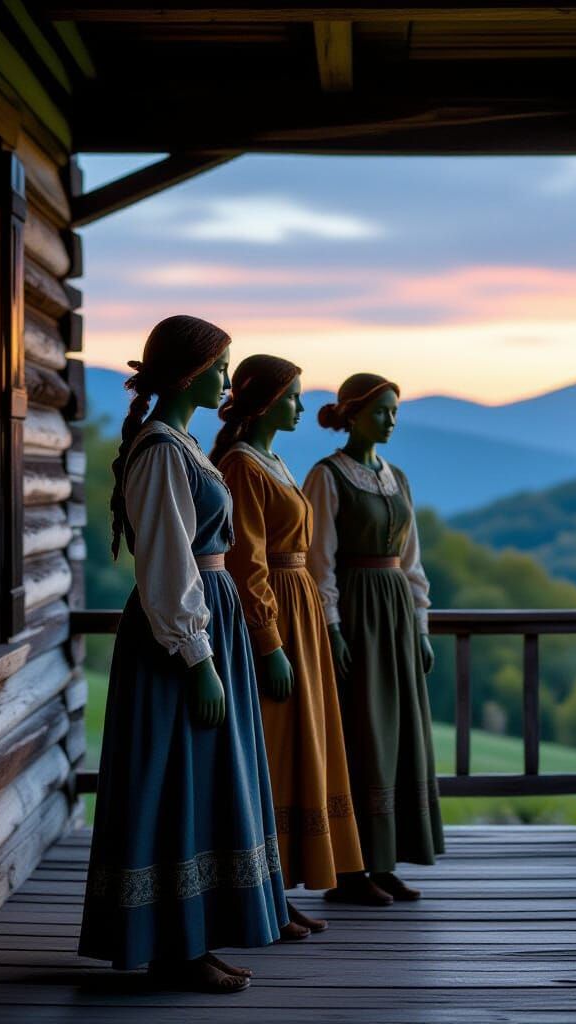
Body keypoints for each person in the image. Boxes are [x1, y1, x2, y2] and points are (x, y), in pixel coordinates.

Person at [78, 316, 287, 993]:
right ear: (192, 373)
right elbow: (167, 562)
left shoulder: (183, 444)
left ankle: (194, 939)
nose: (228, 379)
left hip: (210, 619)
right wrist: (199, 657)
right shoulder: (163, 451)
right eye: (221, 367)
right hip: (181, 637)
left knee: (204, 779)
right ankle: (173, 948)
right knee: (178, 782)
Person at [210, 354, 368, 934]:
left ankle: (279, 889)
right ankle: (263, 892)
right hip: (275, 609)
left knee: (304, 744)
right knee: (274, 753)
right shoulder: (241, 464)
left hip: (300, 607)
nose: (303, 406)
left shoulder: (273, 460)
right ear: (269, 401)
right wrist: (268, 642)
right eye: (295, 396)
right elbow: (245, 561)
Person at [303, 373, 444, 904]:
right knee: (362, 732)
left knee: (398, 732)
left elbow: (412, 561)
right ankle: (350, 871)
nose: (391, 421)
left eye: (395, 411)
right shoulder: (327, 476)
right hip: (356, 612)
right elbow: (318, 560)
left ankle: (384, 861)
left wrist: (421, 627)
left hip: (396, 615)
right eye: (382, 411)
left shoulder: (396, 477)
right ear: (353, 414)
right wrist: (332, 627)